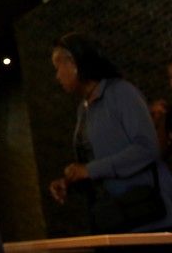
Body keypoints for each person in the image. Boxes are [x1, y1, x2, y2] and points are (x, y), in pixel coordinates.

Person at [47, 32, 172, 233]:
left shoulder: (120, 93)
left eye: (58, 66)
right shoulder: (84, 108)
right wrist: (71, 181)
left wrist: (89, 170)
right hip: (116, 218)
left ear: (74, 63)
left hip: (149, 216)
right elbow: (98, 160)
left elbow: (147, 148)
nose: (57, 76)